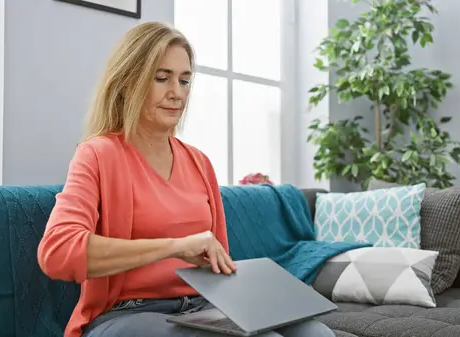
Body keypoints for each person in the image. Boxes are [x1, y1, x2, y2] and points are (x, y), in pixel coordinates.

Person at [37, 21, 335, 337]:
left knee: (317, 334)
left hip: (203, 309)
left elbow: (218, 261)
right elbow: (58, 251)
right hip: (127, 314)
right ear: (128, 82)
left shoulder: (199, 162)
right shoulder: (97, 154)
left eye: (184, 80)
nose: (176, 93)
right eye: (162, 78)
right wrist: (174, 247)